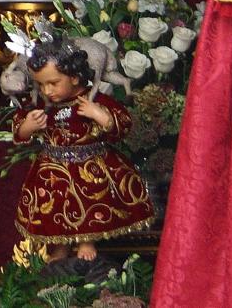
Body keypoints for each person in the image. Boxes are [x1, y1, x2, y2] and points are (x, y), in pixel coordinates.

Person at [13, 36, 154, 261]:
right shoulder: (43, 106)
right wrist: (28, 126)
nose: (47, 91)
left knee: (89, 198)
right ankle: (60, 244)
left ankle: (86, 240)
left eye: (53, 83)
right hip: (51, 168)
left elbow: (122, 123)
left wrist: (99, 115)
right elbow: (20, 130)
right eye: (41, 85)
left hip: (89, 165)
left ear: (76, 78)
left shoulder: (91, 99)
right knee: (55, 206)